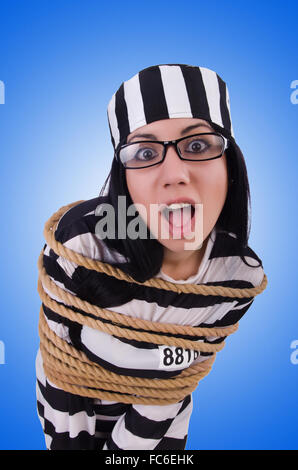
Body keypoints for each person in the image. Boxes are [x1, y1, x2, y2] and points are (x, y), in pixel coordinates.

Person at [35, 63, 265, 450]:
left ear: (230, 165)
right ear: (123, 178)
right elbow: (61, 370)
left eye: (197, 146)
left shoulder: (239, 276)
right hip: (73, 420)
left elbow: (174, 384)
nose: (174, 173)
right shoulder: (81, 245)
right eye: (144, 151)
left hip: (162, 428)